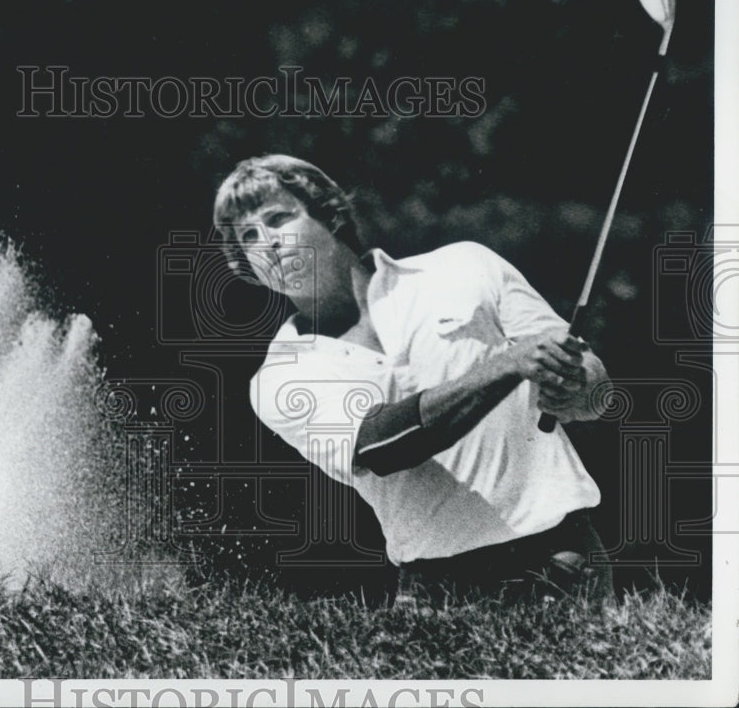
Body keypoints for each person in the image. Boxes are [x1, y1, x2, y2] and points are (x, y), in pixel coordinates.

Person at [213, 154, 614, 601]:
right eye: (249, 237)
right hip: (436, 591)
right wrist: (505, 366)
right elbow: (385, 446)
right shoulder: (278, 379)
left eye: (278, 218)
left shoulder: (466, 266)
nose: (267, 243)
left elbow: (595, 390)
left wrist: (578, 388)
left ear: (331, 214)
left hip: (564, 555)